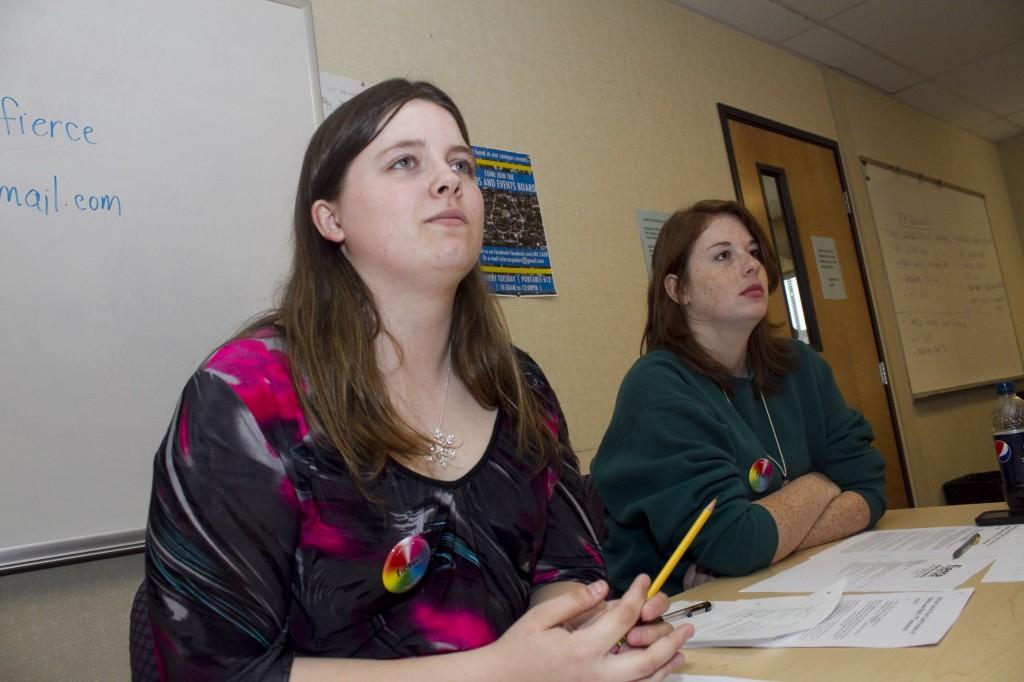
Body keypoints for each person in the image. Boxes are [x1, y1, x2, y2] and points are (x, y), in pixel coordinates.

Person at [143, 79, 693, 681]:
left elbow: (563, 570)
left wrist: (585, 637)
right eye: (405, 161)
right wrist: (501, 673)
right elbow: (217, 673)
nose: (448, 179)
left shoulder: (519, 385)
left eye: (461, 163)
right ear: (331, 219)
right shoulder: (244, 395)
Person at [591, 199, 886, 596]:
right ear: (679, 290)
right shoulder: (658, 387)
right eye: (723, 255)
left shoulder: (801, 366)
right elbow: (736, 542)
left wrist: (766, 542)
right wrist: (821, 483)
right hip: (679, 618)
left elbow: (870, 487)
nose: (751, 266)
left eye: (753, 252)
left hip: (788, 586)